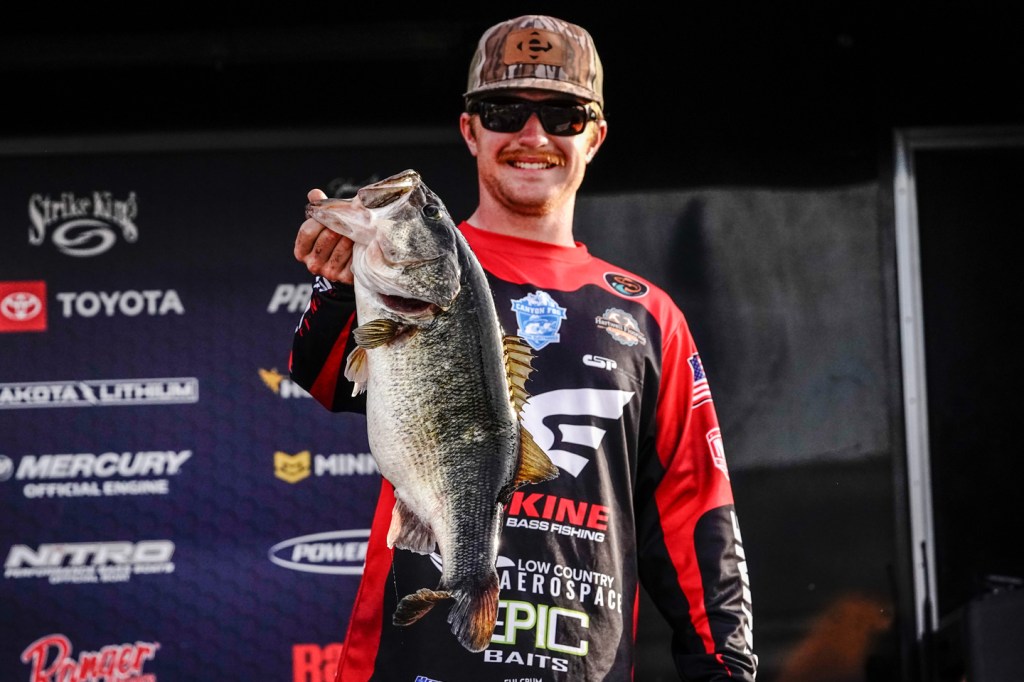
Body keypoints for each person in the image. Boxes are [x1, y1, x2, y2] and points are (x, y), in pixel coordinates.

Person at [289, 14, 757, 682]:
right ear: (469, 129)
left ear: (595, 136)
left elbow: (695, 512)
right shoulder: (403, 268)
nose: (533, 135)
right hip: (414, 662)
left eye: (563, 115)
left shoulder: (651, 317)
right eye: (505, 112)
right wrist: (337, 286)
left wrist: (727, 670)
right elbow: (324, 376)